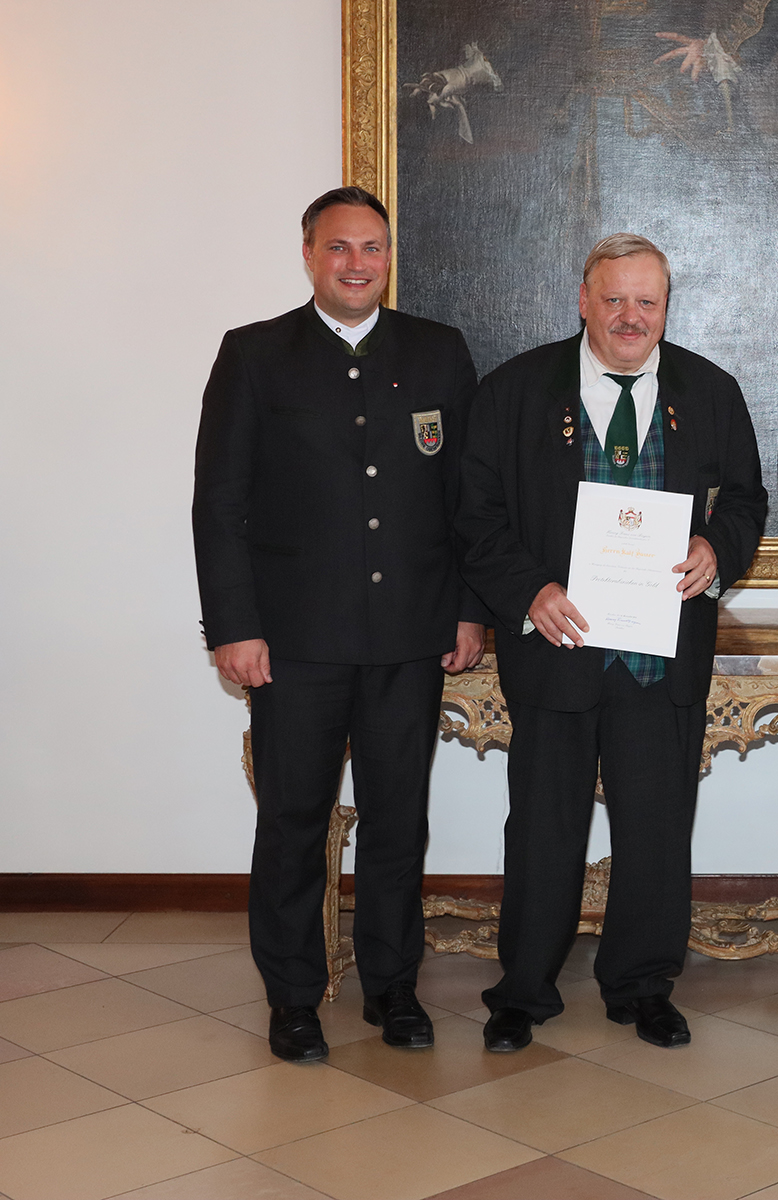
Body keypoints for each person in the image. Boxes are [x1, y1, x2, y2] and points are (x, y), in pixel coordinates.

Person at [193, 186, 485, 1063]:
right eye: (339, 248)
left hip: (409, 636)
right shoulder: (254, 355)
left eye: (372, 248)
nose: (357, 264)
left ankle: (392, 988)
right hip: (295, 641)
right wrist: (232, 627)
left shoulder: (438, 352)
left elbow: (470, 498)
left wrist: (471, 609)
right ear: (310, 255)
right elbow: (220, 503)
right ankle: (292, 996)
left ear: (389, 258)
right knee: (294, 822)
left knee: (400, 820)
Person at [456, 233, 765, 1052]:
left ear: (668, 307)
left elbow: (745, 500)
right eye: (615, 299)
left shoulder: (709, 390)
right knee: (543, 828)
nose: (631, 317)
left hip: (661, 652)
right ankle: (523, 989)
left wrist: (716, 551)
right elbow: (476, 511)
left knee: (657, 827)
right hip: (555, 646)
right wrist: (528, 591)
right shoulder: (517, 389)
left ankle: (641, 983)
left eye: (648, 301)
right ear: (584, 301)